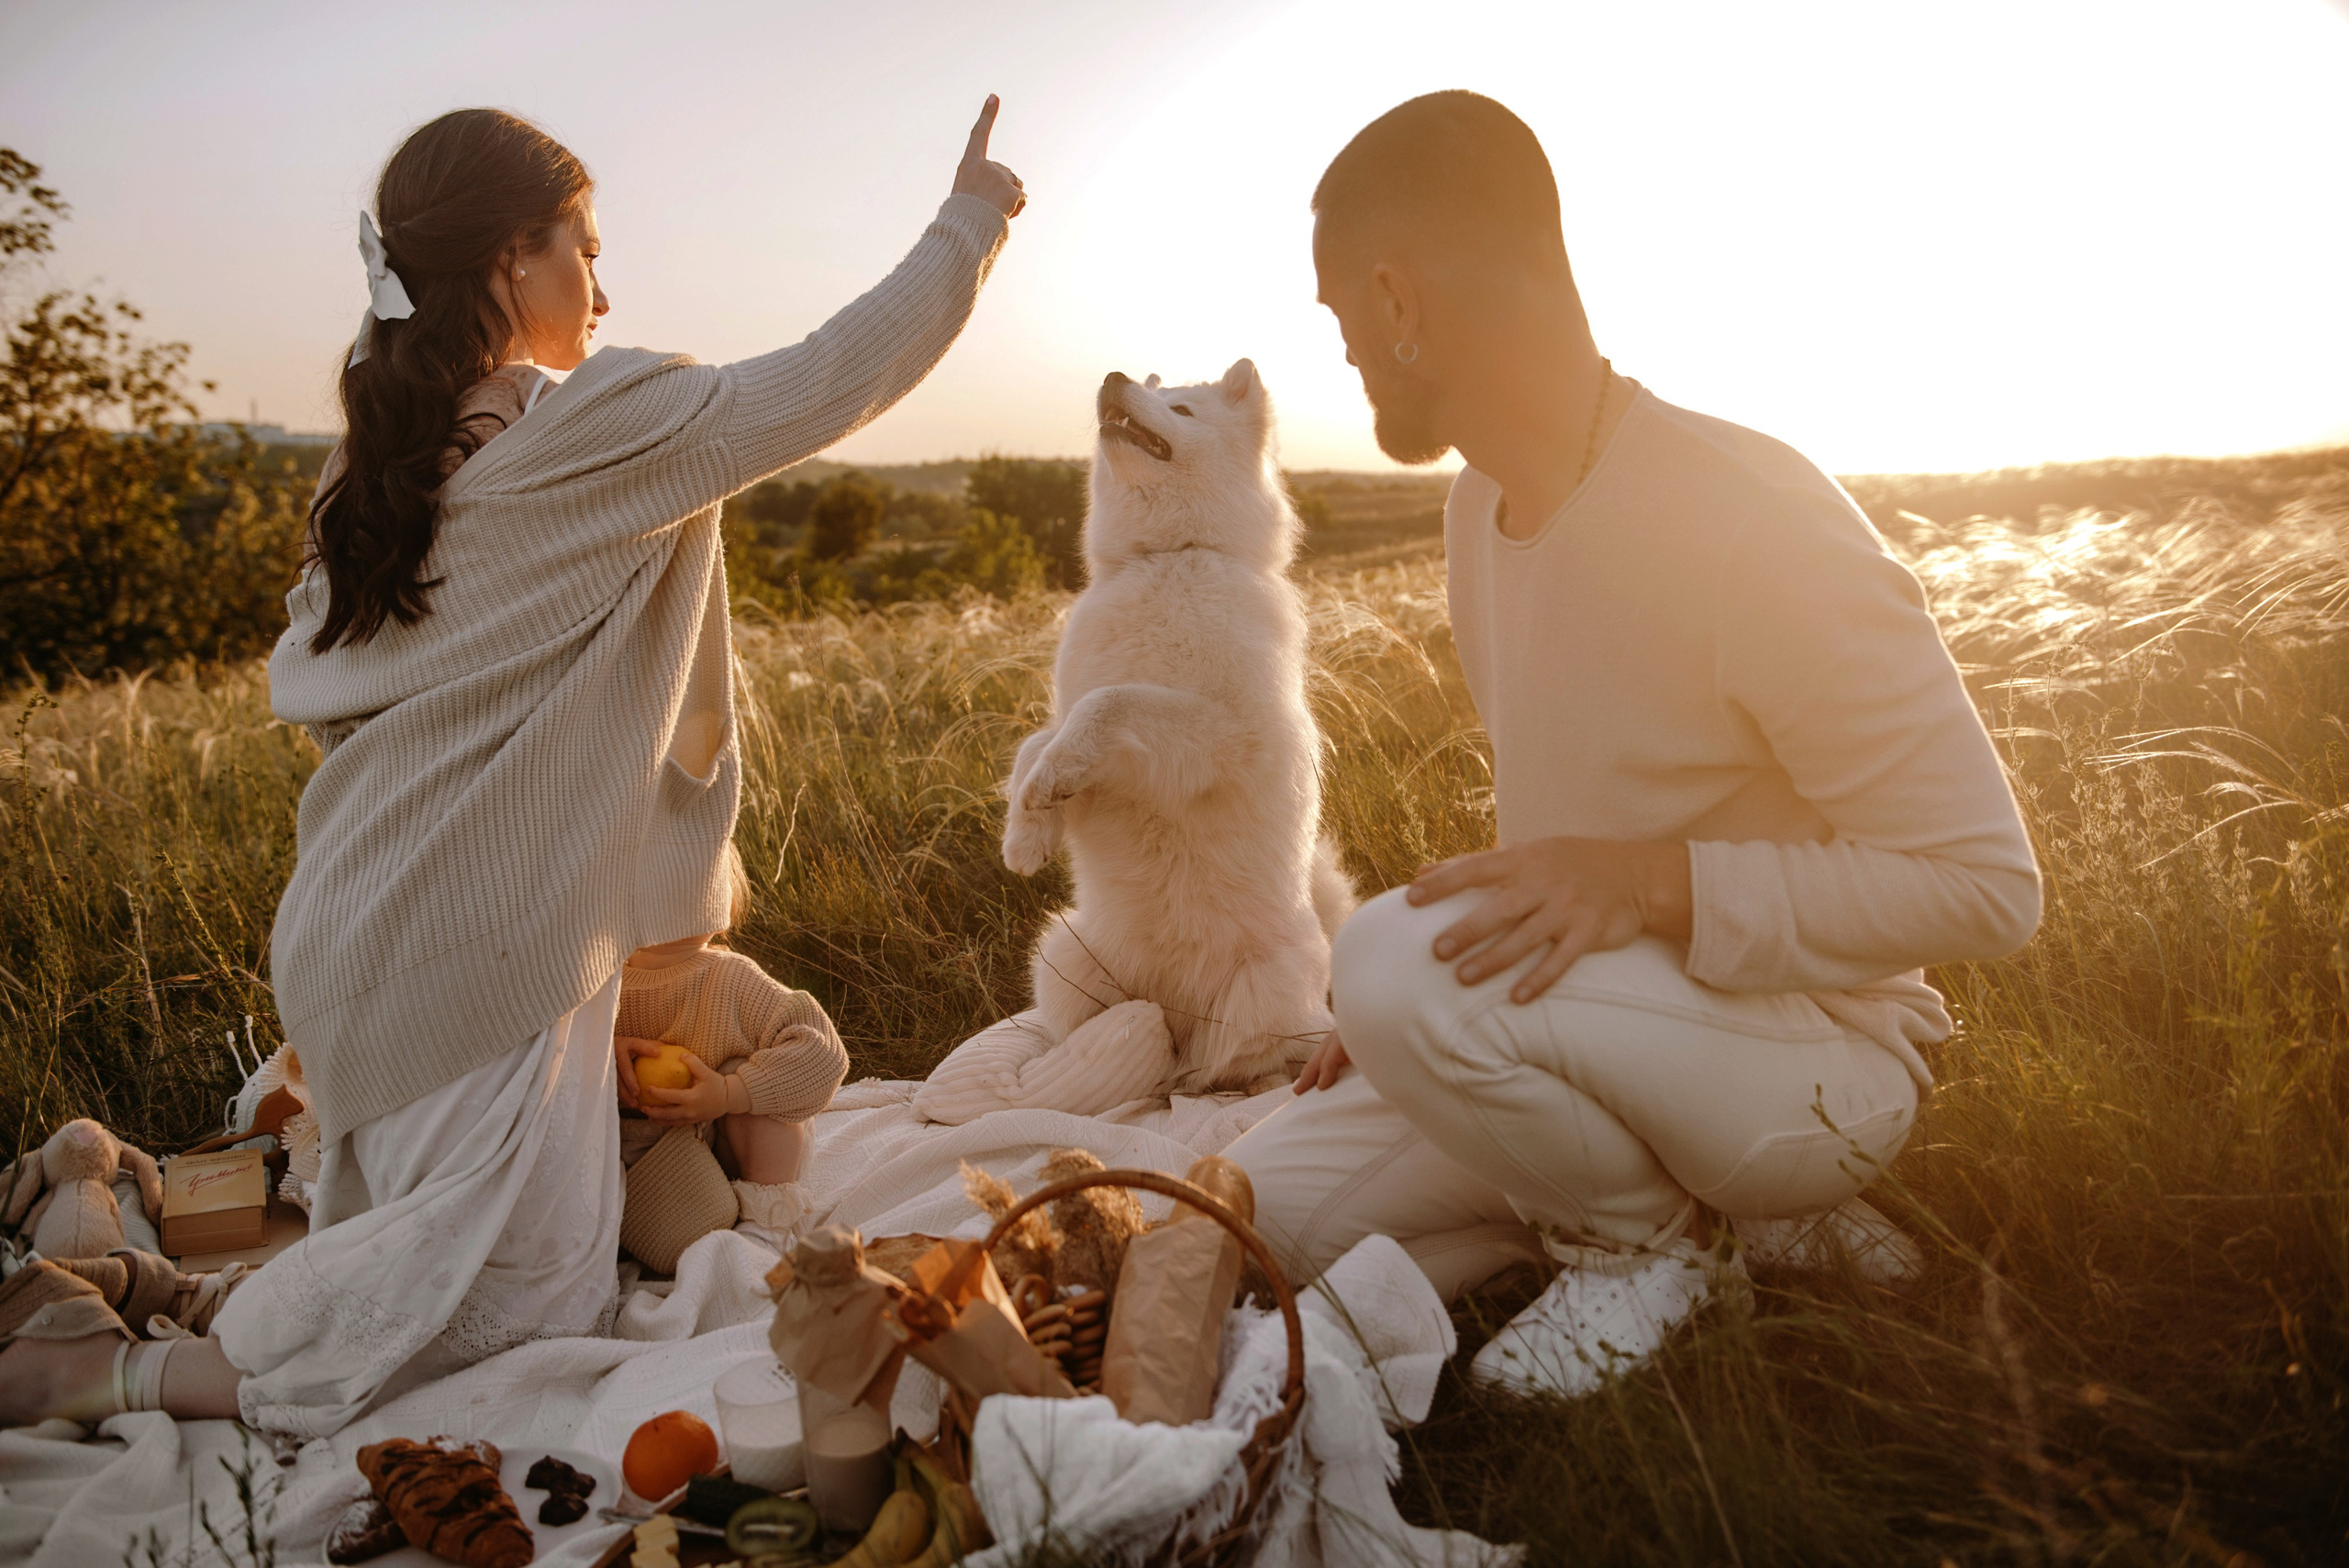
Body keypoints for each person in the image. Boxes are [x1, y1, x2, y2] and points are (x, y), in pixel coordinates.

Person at [0, 99, 1024, 1432]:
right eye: (583, 249)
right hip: (471, 954)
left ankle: (136, 1279)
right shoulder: (592, 433)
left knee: (438, 1268)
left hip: (360, 933)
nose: (605, 284)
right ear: (505, 264)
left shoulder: (371, 471)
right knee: (494, 1327)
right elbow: (837, 374)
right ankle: (105, 1365)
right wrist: (973, 219)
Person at [1226, 92, 2040, 1397]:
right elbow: (1575, 819)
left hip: (1822, 1055)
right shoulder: (1479, 510)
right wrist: (1427, 1009)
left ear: (1395, 300)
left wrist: (1625, 890)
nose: (1348, 364)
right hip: (1635, 1026)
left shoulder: (1748, 515)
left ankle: (1653, 1244)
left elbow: (1990, 890)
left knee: (1388, 962)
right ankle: (1700, 1209)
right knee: (1253, 1213)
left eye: (1341, 325)